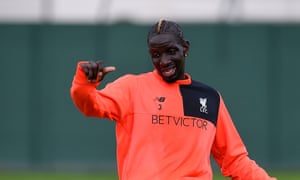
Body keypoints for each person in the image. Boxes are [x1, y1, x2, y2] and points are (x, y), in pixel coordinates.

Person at [70, 19, 276, 180]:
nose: (164, 61)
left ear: (185, 48)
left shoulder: (209, 98)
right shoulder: (132, 88)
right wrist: (83, 83)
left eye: (171, 51)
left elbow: (235, 160)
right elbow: (90, 105)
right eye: (156, 55)